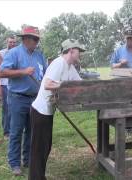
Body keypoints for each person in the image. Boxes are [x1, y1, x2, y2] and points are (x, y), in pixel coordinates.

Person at [29, 39, 86, 180]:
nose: (80, 54)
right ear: (71, 50)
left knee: (45, 147)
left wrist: (93, 85)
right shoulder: (59, 63)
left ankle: (39, 176)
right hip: (40, 112)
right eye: (79, 51)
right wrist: (65, 85)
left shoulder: (70, 66)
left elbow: (79, 83)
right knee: (39, 149)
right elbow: (48, 84)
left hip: (48, 111)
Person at [0, 26, 47, 176]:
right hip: (18, 99)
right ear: (26, 39)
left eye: (38, 39)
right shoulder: (14, 53)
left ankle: (28, 160)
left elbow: (44, 75)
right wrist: (23, 71)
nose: (37, 41)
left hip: (35, 99)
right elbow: (2, 72)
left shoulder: (39, 56)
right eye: (35, 39)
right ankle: (14, 163)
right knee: (16, 131)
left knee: (31, 131)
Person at [0, 36, 17, 140]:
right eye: (10, 42)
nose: (12, 44)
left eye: (14, 42)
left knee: (16, 107)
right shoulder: (1, 54)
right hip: (5, 85)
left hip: (16, 84)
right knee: (6, 108)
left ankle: (15, 129)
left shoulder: (18, 52)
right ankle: (6, 132)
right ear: (6, 42)